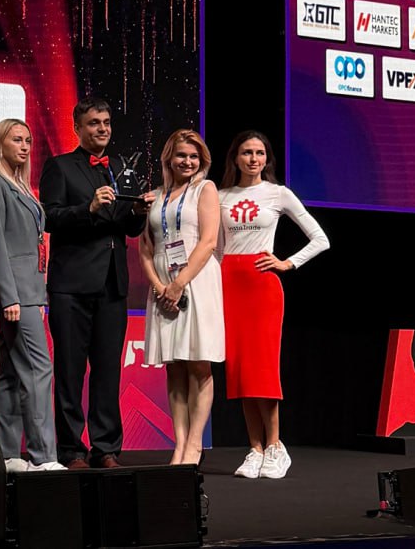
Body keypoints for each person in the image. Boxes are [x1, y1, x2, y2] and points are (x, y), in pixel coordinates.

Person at [40, 97, 152, 469]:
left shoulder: (120, 166)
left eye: (106, 122)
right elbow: (49, 218)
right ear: (77, 128)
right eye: (93, 123)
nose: (102, 129)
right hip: (71, 285)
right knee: (70, 371)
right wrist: (87, 209)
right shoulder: (59, 166)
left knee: (107, 371)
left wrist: (137, 211)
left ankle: (106, 448)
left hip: (112, 284)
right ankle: (71, 450)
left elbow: (129, 228)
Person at [217, 130, 329, 480]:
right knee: (240, 371)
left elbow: (320, 239)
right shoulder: (219, 196)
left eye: (260, 153)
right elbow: (216, 248)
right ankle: (254, 449)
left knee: (263, 369)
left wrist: (288, 263)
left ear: (267, 159)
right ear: (235, 158)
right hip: (228, 286)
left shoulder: (278, 194)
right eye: (247, 152)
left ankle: (276, 447)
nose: (254, 159)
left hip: (262, 287)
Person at [0, 119, 65, 472]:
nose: (25, 146)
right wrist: (9, 296)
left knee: (11, 373)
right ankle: (44, 457)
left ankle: (7, 454)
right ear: (0, 144)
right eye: (17, 140)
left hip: (30, 292)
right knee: (38, 369)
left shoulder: (21, 185)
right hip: (16, 294)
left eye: (28, 140)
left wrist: (37, 295)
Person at [138, 130, 224, 466]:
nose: (187, 162)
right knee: (173, 366)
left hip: (196, 280)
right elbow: (146, 249)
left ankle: (195, 445)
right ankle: (179, 444)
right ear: (168, 159)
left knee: (198, 365)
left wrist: (179, 285)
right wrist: (160, 286)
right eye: (181, 156)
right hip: (163, 285)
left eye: (193, 156)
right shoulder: (155, 196)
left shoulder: (205, 189)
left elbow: (208, 242)